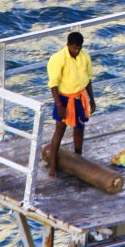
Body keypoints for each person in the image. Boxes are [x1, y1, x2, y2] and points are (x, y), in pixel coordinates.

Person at [46, 31, 96, 178]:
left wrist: (92, 100)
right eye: (74, 48)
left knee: (80, 128)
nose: (76, 50)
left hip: (79, 97)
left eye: (79, 48)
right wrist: (60, 105)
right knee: (60, 129)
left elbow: (88, 80)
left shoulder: (85, 56)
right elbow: (53, 85)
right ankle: (53, 165)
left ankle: (78, 157)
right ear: (67, 45)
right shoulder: (57, 59)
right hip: (64, 98)